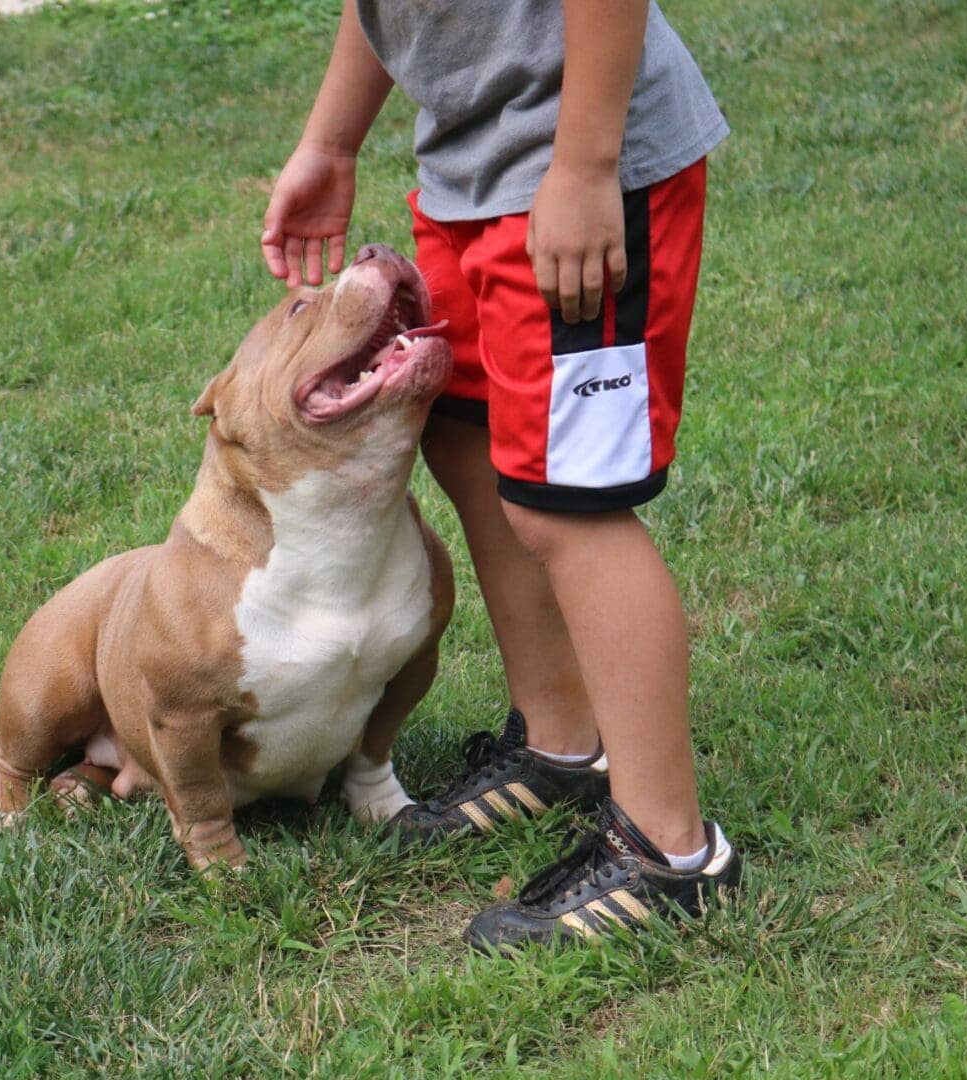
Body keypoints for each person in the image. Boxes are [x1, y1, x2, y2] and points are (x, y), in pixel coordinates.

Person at [260, 0, 741, 949]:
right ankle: (561, 743)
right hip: (471, 175)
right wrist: (332, 140)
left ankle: (670, 855)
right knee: (462, 433)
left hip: (577, 168)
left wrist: (586, 166)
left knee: (568, 506)